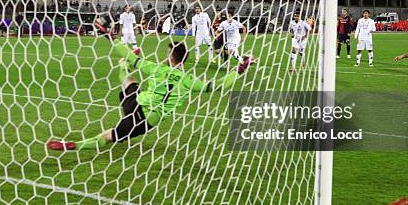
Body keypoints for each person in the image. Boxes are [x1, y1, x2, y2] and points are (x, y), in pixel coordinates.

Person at [47, 41, 256, 151]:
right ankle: (75, 145)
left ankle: (123, 68)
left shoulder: (157, 69)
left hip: (136, 106)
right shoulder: (189, 80)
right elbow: (215, 86)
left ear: (170, 57)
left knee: (126, 78)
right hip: (146, 120)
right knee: (109, 135)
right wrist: (239, 70)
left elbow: (126, 53)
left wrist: (111, 36)